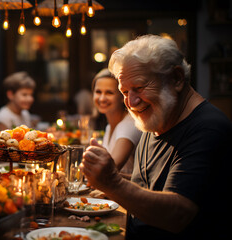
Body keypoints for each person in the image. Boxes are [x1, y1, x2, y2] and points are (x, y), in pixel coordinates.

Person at [80, 35, 231, 240]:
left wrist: (114, 183)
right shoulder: (156, 120)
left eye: (139, 88)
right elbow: (148, 186)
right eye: (124, 91)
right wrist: (105, 180)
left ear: (176, 79)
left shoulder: (208, 128)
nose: (131, 102)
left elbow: (178, 214)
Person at [92, 68, 141, 175]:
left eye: (109, 93)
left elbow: (110, 169)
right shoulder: (109, 126)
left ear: (121, 96)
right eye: (98, 92)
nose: (102, 98)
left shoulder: (129, 124)